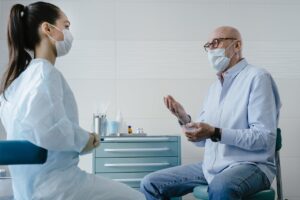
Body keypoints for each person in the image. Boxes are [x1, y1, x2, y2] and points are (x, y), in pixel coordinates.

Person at [0, 2, 145, 200]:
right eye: (66, 26)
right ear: (47, 29)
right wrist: (85, 139)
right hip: (57, 187)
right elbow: (49, 129)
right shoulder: (44, 74)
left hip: (27, 188)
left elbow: (39, 130)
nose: (69, 34)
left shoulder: (19, 82)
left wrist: (81, 140)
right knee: (137, 198)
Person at [140, 26, 281, 200]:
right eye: (208, 45)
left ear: (237, 46)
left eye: (217, 42)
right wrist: (184, 119)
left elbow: (264, 138)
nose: (212, 49)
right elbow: (202, 142)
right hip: (213, 166)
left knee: (222, 187)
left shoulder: (258, 78)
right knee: (151, 183)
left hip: (251, 166)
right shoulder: (214, 88)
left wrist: (216, 133)